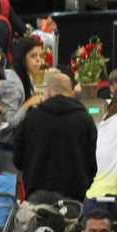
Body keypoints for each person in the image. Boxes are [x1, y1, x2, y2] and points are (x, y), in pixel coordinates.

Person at [13, 71, 98, 200]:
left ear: (48, 92)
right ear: (71, 92)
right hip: (74, 195)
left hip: (37, 191)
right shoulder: (85, 119)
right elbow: (93, 160)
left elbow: (17, 158)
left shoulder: (32, 117)